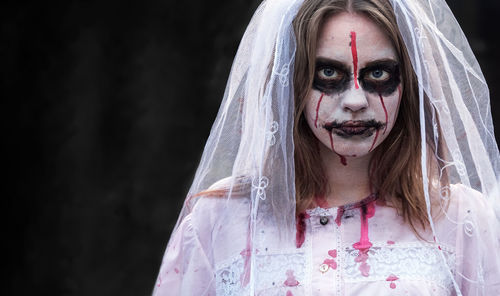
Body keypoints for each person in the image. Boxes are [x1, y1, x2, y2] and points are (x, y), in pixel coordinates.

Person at [153, 0, 500, 295]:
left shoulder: (459, 219)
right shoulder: (218, 219)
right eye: (329, 74)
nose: (354, 101)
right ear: (292, 84)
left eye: (378, 75)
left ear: (408, 84)